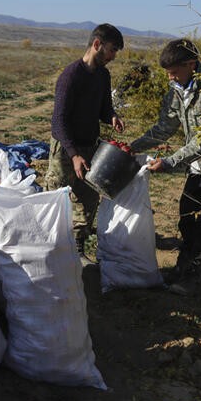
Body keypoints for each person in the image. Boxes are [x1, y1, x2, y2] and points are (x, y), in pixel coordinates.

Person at [130, 38, 201, 296]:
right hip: (196, 166)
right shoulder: (176, 89)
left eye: (174, 72)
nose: (171, 77)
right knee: (187, 216)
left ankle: (192, 275)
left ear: (191, 64)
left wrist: (171, 162)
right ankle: (182, 267)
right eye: (168, 73)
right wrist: (133, 147)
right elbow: (165, 127)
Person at [44, 23, 126, 266]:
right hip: (65, 149)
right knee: (56, 198)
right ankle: (49, 249)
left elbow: (103, 108)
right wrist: (73, 155)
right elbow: (58, 121)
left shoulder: (103, 75)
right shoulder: (71, 76)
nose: (113, 56)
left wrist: (111, 116)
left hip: (91, 147)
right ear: (97, 44)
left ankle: (77, 249)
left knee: (88, 200)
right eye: (112, 50)